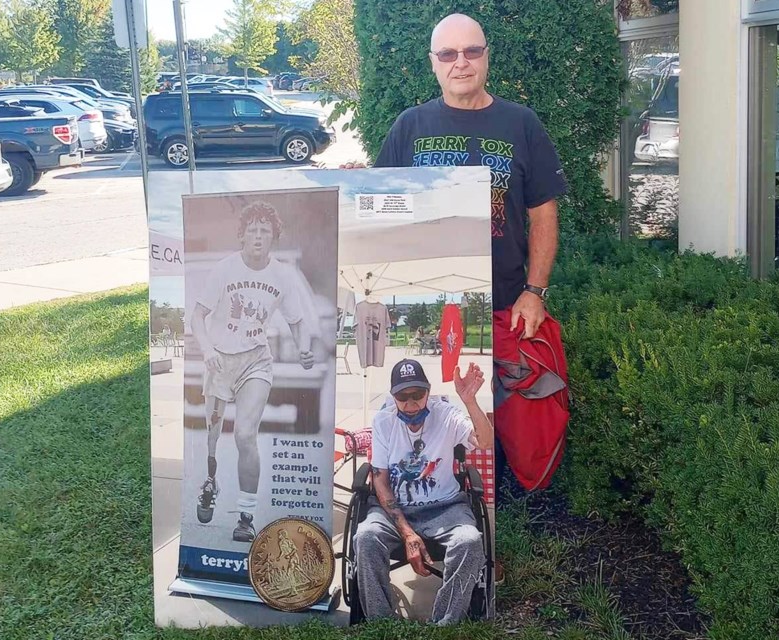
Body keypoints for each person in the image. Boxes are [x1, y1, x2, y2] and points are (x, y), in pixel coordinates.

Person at [344, 12, 567, 339]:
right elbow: (381, 209)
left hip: (505, 305)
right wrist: (354, 185)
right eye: (448, 54)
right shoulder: (410, 125)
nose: (460, 62)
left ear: (486, 56)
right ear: (434, 62)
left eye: (472, 51)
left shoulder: (522, 124)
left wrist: (534, 292)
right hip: (425, 296)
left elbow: (544, 214)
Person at [190, 202, 316, 543]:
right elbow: (197, 316)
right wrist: (208, 350)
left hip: (255, 361)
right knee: (213, 438)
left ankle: (245, 516)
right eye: (252, 230)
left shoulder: (282, 275)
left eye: (265, 231)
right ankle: (211, 482)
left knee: (246, 434)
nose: (258, 236)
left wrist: (304, 348)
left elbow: (297, 321)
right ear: (242, 235)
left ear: (273, 236)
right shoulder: (224, 269)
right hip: (219, 361)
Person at [353, 358, 492, 625]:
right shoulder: (383, 421)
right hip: (396, 511)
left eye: (418, 394)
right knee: (366, 537)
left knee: (470, 541)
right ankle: (383, 625)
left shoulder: (446, 415)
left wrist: (470, 402)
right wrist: (407, 532)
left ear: (428, 392)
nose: (411, 402)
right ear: (393, 397)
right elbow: (379, 480)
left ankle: (444, 625)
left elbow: (484, 442)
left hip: (445, 506)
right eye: (403, 396)